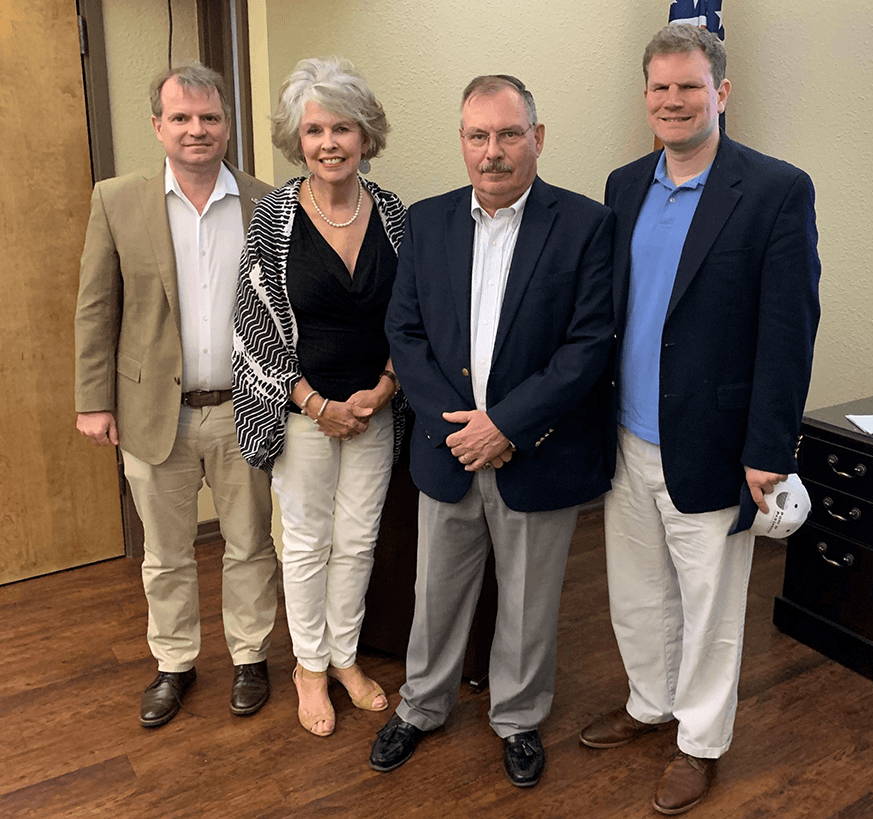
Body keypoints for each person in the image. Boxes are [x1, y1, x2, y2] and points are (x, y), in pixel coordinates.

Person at [579, 24, 821, 815]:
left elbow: (789, 332)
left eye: (689, 87)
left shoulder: (777, 190)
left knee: (711, 605)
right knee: (637, 593)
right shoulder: (623, 185)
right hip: (626, 436)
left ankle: (699, 739)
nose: (673, 101)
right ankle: (650, 703)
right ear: (645, 97)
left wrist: (769, 448)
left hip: (716, 443)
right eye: (660, 88)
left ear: (721, 92)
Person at [370, 74, 616, 788]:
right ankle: (421, 705)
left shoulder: (585, 225)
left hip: (537, 451)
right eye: (479, 135)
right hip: (449, 450)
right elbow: (405, 333)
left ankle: (517, 716)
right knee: (436, 593)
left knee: (530, 601)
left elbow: (587, 344)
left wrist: (506, 424)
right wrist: (463, 429)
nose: (494, 152)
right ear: (462, 142)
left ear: (537, 138)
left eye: (510, 134)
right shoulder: (427, 221)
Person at [74, 63, 278, 727]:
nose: (197, 130)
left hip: (242, 410)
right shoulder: (116, 199)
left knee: (250, 542)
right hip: (152, 411)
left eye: (210, 118)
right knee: (165, 553)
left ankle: (250, 655)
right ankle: (175, 662)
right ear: (158, 126)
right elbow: (96, 306)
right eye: (182, 118)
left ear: (227, 125)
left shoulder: (265, 201)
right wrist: (93, 398)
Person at [232, 58, 406, 739]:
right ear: (296, 140)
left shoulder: (393, 214)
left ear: (365, 135)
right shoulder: (273, 217)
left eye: (342, 127)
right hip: (304, 414)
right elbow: (251, 322)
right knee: (306, 543)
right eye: (314, 130)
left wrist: (384, 388)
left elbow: (411, 313)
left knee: (358, 541)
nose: (329, 142)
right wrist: (313, 402)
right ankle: (308, 665)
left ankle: (343, 657)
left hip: (376, 410)